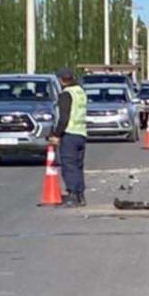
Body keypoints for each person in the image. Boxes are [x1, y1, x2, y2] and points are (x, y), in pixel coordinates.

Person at [50, 67, 88, 207]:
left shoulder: (66, 94)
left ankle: (72, 195)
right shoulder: (80, 92)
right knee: (78, 166)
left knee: (69, 166)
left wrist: (56, 134)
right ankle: (80, 195)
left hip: (70, 134)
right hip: (81, 133)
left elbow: (64, 118)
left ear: (61, 80)